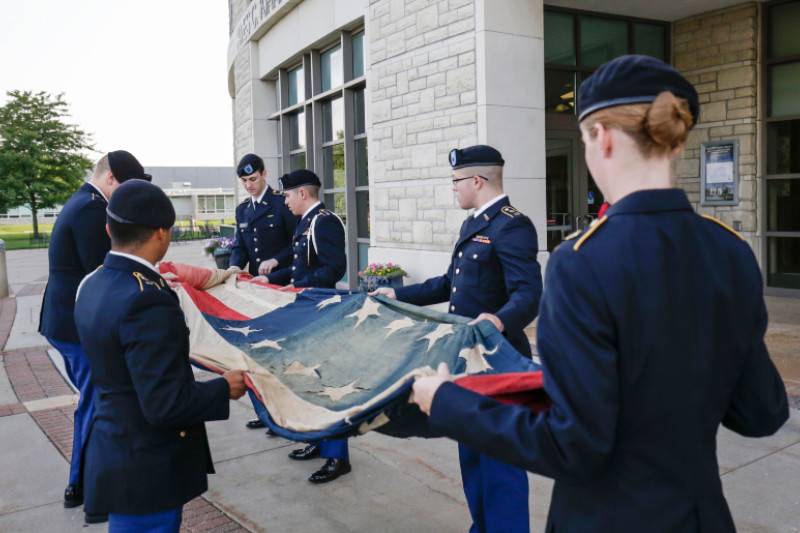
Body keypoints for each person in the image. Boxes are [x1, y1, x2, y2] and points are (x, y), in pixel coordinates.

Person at [410, 55, 789, 533]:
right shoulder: (730, 249)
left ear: (602, 138)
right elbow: (762, 411)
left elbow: (574, 445)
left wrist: (448, 402)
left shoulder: (583, 259)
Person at [372, 144, 543, 533]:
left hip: (497, 362)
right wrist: (397, 293)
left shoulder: (512, 225)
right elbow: (449, 283)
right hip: (467, 361)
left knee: (501, 464)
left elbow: (529, 293)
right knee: (473, 455)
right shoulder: (473, 224)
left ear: (477, 181)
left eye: (456, 182)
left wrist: (499, 321)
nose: (453, 189)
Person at [74, 179, 247, 532]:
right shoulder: (147, 299)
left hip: (116, 447)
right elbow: (166, 403)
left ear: (109, 229)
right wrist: (223, 388)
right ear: (162, 234)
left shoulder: (92, 283)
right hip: (145, 466)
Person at [37, 150, 150, 523]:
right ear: (113, 179)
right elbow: (105, 273)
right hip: (75, 326)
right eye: (129, 186)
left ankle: (84, 484)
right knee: (98, 403)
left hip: (68, 322)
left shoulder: (84, 201)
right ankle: (84, 488)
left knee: (96, 400)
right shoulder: (90, 209)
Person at [264, 169, 351, 483]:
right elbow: (299, 266)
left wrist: (301, 290)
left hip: (320, 311)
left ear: (303, 193)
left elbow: (333, 267)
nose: (284, 201)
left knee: (326, 382)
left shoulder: (323, 220)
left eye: (287, 195)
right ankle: (317, 440)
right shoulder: (306, 221)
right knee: (308, 379)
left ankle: (337, 456)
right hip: (306, 310)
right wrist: (270, 278)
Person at [228, 153, 298, 431]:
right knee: (261, 351)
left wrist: (277, 261)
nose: (249, 185)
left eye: (253, 179)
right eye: (244, 181)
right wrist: (234, 268)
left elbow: (297, 243)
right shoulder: (243, 210)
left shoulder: (282, 203)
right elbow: (240, 246)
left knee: (284, 349)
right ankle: (267, 410)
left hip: (281, 284)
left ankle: (287, 411)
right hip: (256, 290)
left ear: (264, 173)